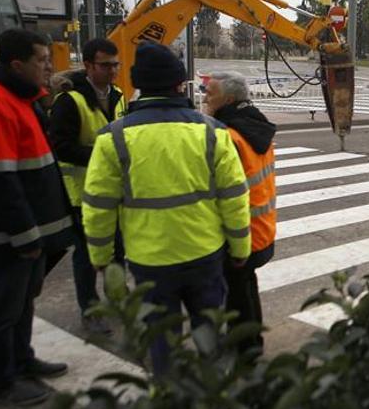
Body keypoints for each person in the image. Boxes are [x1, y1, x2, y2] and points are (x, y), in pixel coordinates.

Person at [82, 43, 251, 375]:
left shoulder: (112, 138)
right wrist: (240, 247)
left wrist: (101, 259)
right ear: (178, 85)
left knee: (162, 340)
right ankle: (211, 401)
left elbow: (98, 207)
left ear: (139, 85)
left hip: (150, 262)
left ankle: (170, 403)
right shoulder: (212, 133)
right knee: (209, 335)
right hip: (205, 255)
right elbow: (234, 197)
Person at [0, 29, 74, 406]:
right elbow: (1, 180)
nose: (49, 67)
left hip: (32, 233)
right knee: (3, 310)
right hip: (10, 238)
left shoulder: (24, 100)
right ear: (16, 64)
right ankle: (2, 381)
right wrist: (25, 234)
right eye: (42, 60)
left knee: (24, 302)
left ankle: (23, 360)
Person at [48, 38, 125, 335]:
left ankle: (118, 301)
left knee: (117, 250)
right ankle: (90, 309)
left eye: (115, 64)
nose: (112, 71)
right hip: (82, 193)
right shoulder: (70, 101)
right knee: (88, 255)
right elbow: (61, 147)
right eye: (106, 65)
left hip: (115, 191)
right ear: (89, 65)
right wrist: (102, 155)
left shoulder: (119, 96)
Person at [203, 71, 276, 353]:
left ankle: (246, 350)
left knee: (236, 294)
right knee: (245, 287)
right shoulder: (256, 128)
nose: (205, 96)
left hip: (240, 230)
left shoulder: (228, 135)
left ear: (229, 99)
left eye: (211, 92)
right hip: (261, 226)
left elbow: (224, 189)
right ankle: (251, 341)